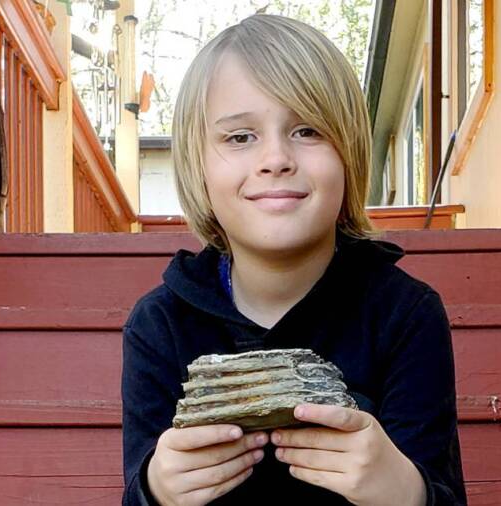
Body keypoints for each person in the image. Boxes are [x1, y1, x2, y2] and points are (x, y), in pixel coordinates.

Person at [122, 14, 466, 506]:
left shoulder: (405, 314)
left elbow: (444, 494)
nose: (275, 158)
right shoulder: (159, 325)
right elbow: (135, 492)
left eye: (307, 130)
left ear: (349, 153)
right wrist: (157, 490)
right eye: (240, 137)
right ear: (198, 167)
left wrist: (406, 491)